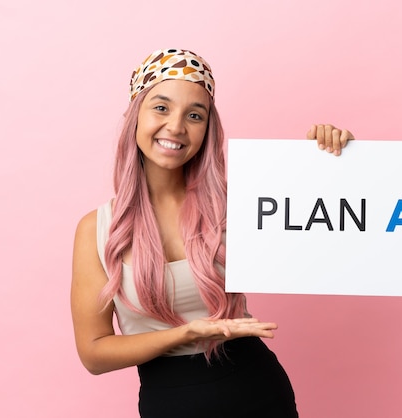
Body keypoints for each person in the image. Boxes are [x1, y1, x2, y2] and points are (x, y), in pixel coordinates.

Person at [70, 48, 354, 418]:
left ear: (207, 129)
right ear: (134, 115)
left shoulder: (238, 205)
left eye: (194, 115)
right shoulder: (97, 229)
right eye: (161, 107)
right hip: (169, 403)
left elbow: (328, 226)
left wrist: (335, 159)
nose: (176, 126)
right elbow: (94, 353)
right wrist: (186, 334)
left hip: (257, 390)